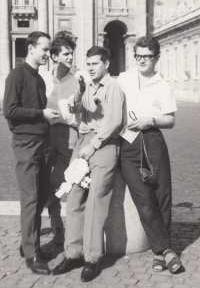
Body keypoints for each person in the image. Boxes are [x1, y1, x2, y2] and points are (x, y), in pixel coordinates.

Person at [52, 46, 124, 281]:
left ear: (106, 64)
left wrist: (92, 144)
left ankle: (91, 260)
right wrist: (78, 92)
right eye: (89, 64)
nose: (91, 67)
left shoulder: (113, 87)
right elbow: (74, 110)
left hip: (102, 147)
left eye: (95, 63)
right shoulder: (87, 85)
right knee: (74, 197)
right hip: (83, 145)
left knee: (95, 202)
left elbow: (113, 121)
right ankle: (72, 253)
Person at [117, 36, 182, 274]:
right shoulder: (123, 79)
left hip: (153, 139)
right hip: (128, 144)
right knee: (143, 199)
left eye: (147, 56)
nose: (142, 61)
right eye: (138, 56)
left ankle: (158, 252)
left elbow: (171, 120)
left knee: (161, 195)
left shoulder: (162, 85)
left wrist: (150, 119)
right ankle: (166, 250)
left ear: (156, 58)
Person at [3, 31, 60, 275]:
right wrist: (41, 114)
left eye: (49, 50)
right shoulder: (17, 75)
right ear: (31, 48)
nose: (48, 54)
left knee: (40, 197)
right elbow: (9, 110)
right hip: (26, 144)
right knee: (30, 200)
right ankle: (31, 255)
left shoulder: (38, 79)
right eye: (45, 49)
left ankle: (30, 244)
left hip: (42, 142)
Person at [41, 33, 80, 245]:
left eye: (72, 53)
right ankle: (57, 226)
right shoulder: (44, 78)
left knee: (64, 179)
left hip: (70, 134)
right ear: (54, 57)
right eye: (66, 54)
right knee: (46, 177)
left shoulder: (79, 78)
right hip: (47, 134)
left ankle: (43, 207)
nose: (71, 57)